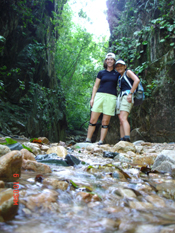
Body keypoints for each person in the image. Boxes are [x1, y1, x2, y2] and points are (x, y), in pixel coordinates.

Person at [85, 53, 119, 145]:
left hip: (111, 97)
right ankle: (88, 139)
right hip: (99, 96)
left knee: (105, 121)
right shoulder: (101, 72)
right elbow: (95, 86)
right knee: (93, 119)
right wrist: (92, 98)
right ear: (105, 61)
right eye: (108, 59)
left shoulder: (117, 73)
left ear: (114, 61)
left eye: (111, 59)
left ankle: (101, 141)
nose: (109, 61)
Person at [115, 59, 140, 142]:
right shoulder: (119, 77)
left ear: (125, 66)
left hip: (127, 96)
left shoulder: (128, 72)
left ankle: (127, 137)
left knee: (123, 117)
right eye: (117, 66)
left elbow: (136, 80)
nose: (119, 67)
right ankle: (122, 139)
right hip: (121, 97)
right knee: (120, 119)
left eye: (121, 66)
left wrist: (131, 93)